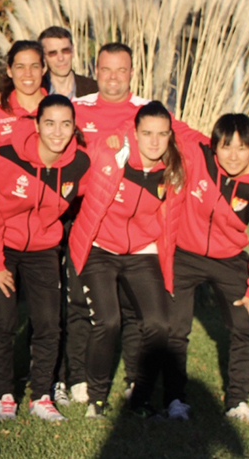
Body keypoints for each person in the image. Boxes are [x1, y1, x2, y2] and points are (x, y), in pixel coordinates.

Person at [0, 95, 91, 422]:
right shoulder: (3, 157)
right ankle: (2, 392)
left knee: (48, 323)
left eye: (66, 124)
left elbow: (90, 197)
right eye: (50, 123)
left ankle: (41, 394)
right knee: (3, 320)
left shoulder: (79, 164)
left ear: (74, 128)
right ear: (37, 125)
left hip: (44, 249)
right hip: (3, 246)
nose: (58, 132)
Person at [67, 101, 183, 418]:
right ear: (134, 133)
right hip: (100, 248)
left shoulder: (173, 170)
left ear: (170, 135)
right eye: (147, 133)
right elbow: (71, 181)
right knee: (108, 321)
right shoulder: (109, 155)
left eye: (162, 134)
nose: (155, 142)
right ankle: (97, 399)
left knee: (159, 324)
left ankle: (140, 399)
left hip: (142, 251)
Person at [165, 113, 249, 425]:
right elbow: (164, 119)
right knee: (173, 328)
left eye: (242, 148)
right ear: (214, 145)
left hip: (229, 258)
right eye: (226, 147)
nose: (232, 155)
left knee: (248, 324)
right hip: (184, 254)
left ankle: (238, 402)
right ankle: (175, 400)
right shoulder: (198, 151)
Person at [62, 42, 149, 405]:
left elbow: (184, 144)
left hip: (132, 227)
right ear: (95, 70)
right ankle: (77, 377)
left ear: (132, 72)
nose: (113, 77)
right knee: (80, 305)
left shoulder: (148, 111)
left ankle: (134, 378)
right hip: (82, 222)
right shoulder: (78, 109)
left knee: (132, 307)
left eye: (121, 70)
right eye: (106, 69)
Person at [0, 40, 47, 144]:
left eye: (34, 66)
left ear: (43, 69)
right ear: (9, 71)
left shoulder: (59, 109)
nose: (28, 73)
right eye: (20, 67)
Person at [39, 27, 97, 99]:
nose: (61, 58)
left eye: (65, 51)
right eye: (53, 53)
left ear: (73, 51)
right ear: (43, 56)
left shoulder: (94, 90)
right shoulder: (36, 91)